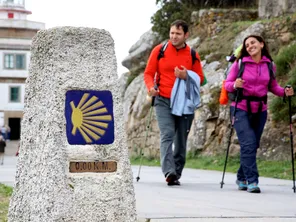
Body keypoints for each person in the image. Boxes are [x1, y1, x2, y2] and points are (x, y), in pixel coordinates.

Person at [225, 35, 294, 193]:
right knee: (248, 143)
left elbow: (273, 87)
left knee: (252, 145)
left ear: (262, 44)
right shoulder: (239, 63)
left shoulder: (270, 65)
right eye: (247, 45)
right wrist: (235, 84)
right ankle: (252, 181)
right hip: (240, 108)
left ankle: (241, 177)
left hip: (260, 110)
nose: (250, 46)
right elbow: (227, 85)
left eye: (253, 43)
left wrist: (285, 92)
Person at [144, 19, 205, 186]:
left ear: (186, 35)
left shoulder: (192, 54)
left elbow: (201, 78)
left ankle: (176, 172)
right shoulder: (160, 50)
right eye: (172, 33)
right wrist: (151, 87)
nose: (174, 36)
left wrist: (187, 76)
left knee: (180, 140)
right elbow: (148, 73)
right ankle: (169, 172)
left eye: (178, 34)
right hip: (162, 99)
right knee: (167, 134)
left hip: (185, 102)